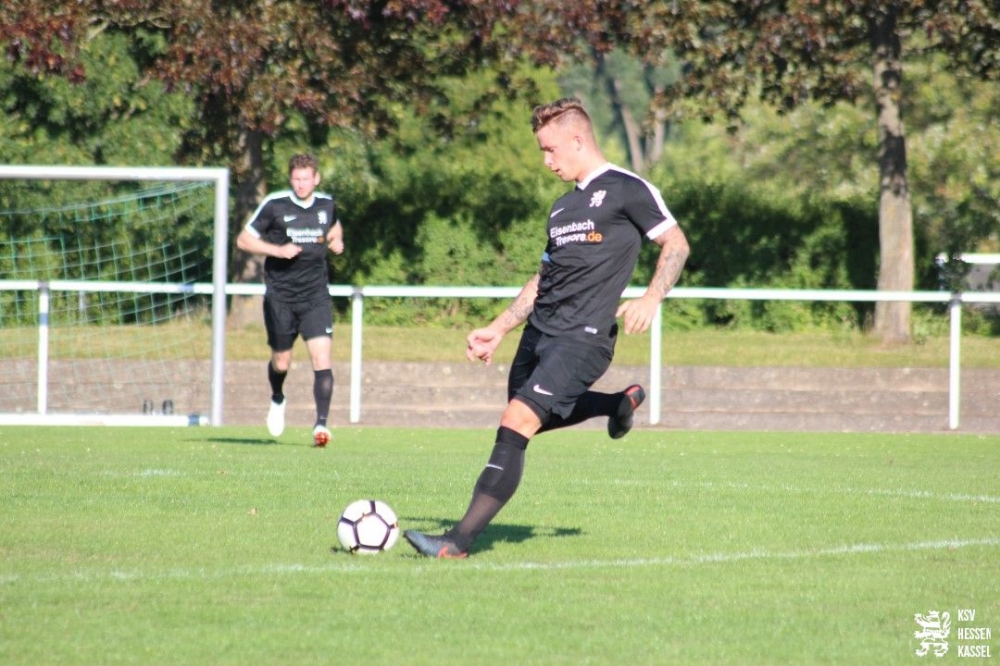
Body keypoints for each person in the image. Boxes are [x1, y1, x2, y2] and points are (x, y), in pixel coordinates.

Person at [404, 97, 690, 558]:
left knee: (517, 420)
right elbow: (542, 278)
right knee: (527, 420)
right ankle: (615, 404)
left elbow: (676, 243)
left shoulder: (627, 188)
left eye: (550, 150)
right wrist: (499, 328)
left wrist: (652, 297)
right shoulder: (561, 208)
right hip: (539, 333)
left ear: (577, 140)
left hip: (583, 338)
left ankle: (456, 542)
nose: (546, 161)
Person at [235, 153, 344, 447]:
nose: (301, 184)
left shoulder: (327, 205)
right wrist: (277, 251)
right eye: (296, 179)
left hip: (315, 296)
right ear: (290, 179)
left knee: (322, 359)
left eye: (306, 178)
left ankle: (321, 426)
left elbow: (334, 226)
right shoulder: (275, 205)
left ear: (316, 179)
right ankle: (277, 397)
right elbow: (243, 240)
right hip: (280, 297)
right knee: (281, 361)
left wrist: (337, 240)